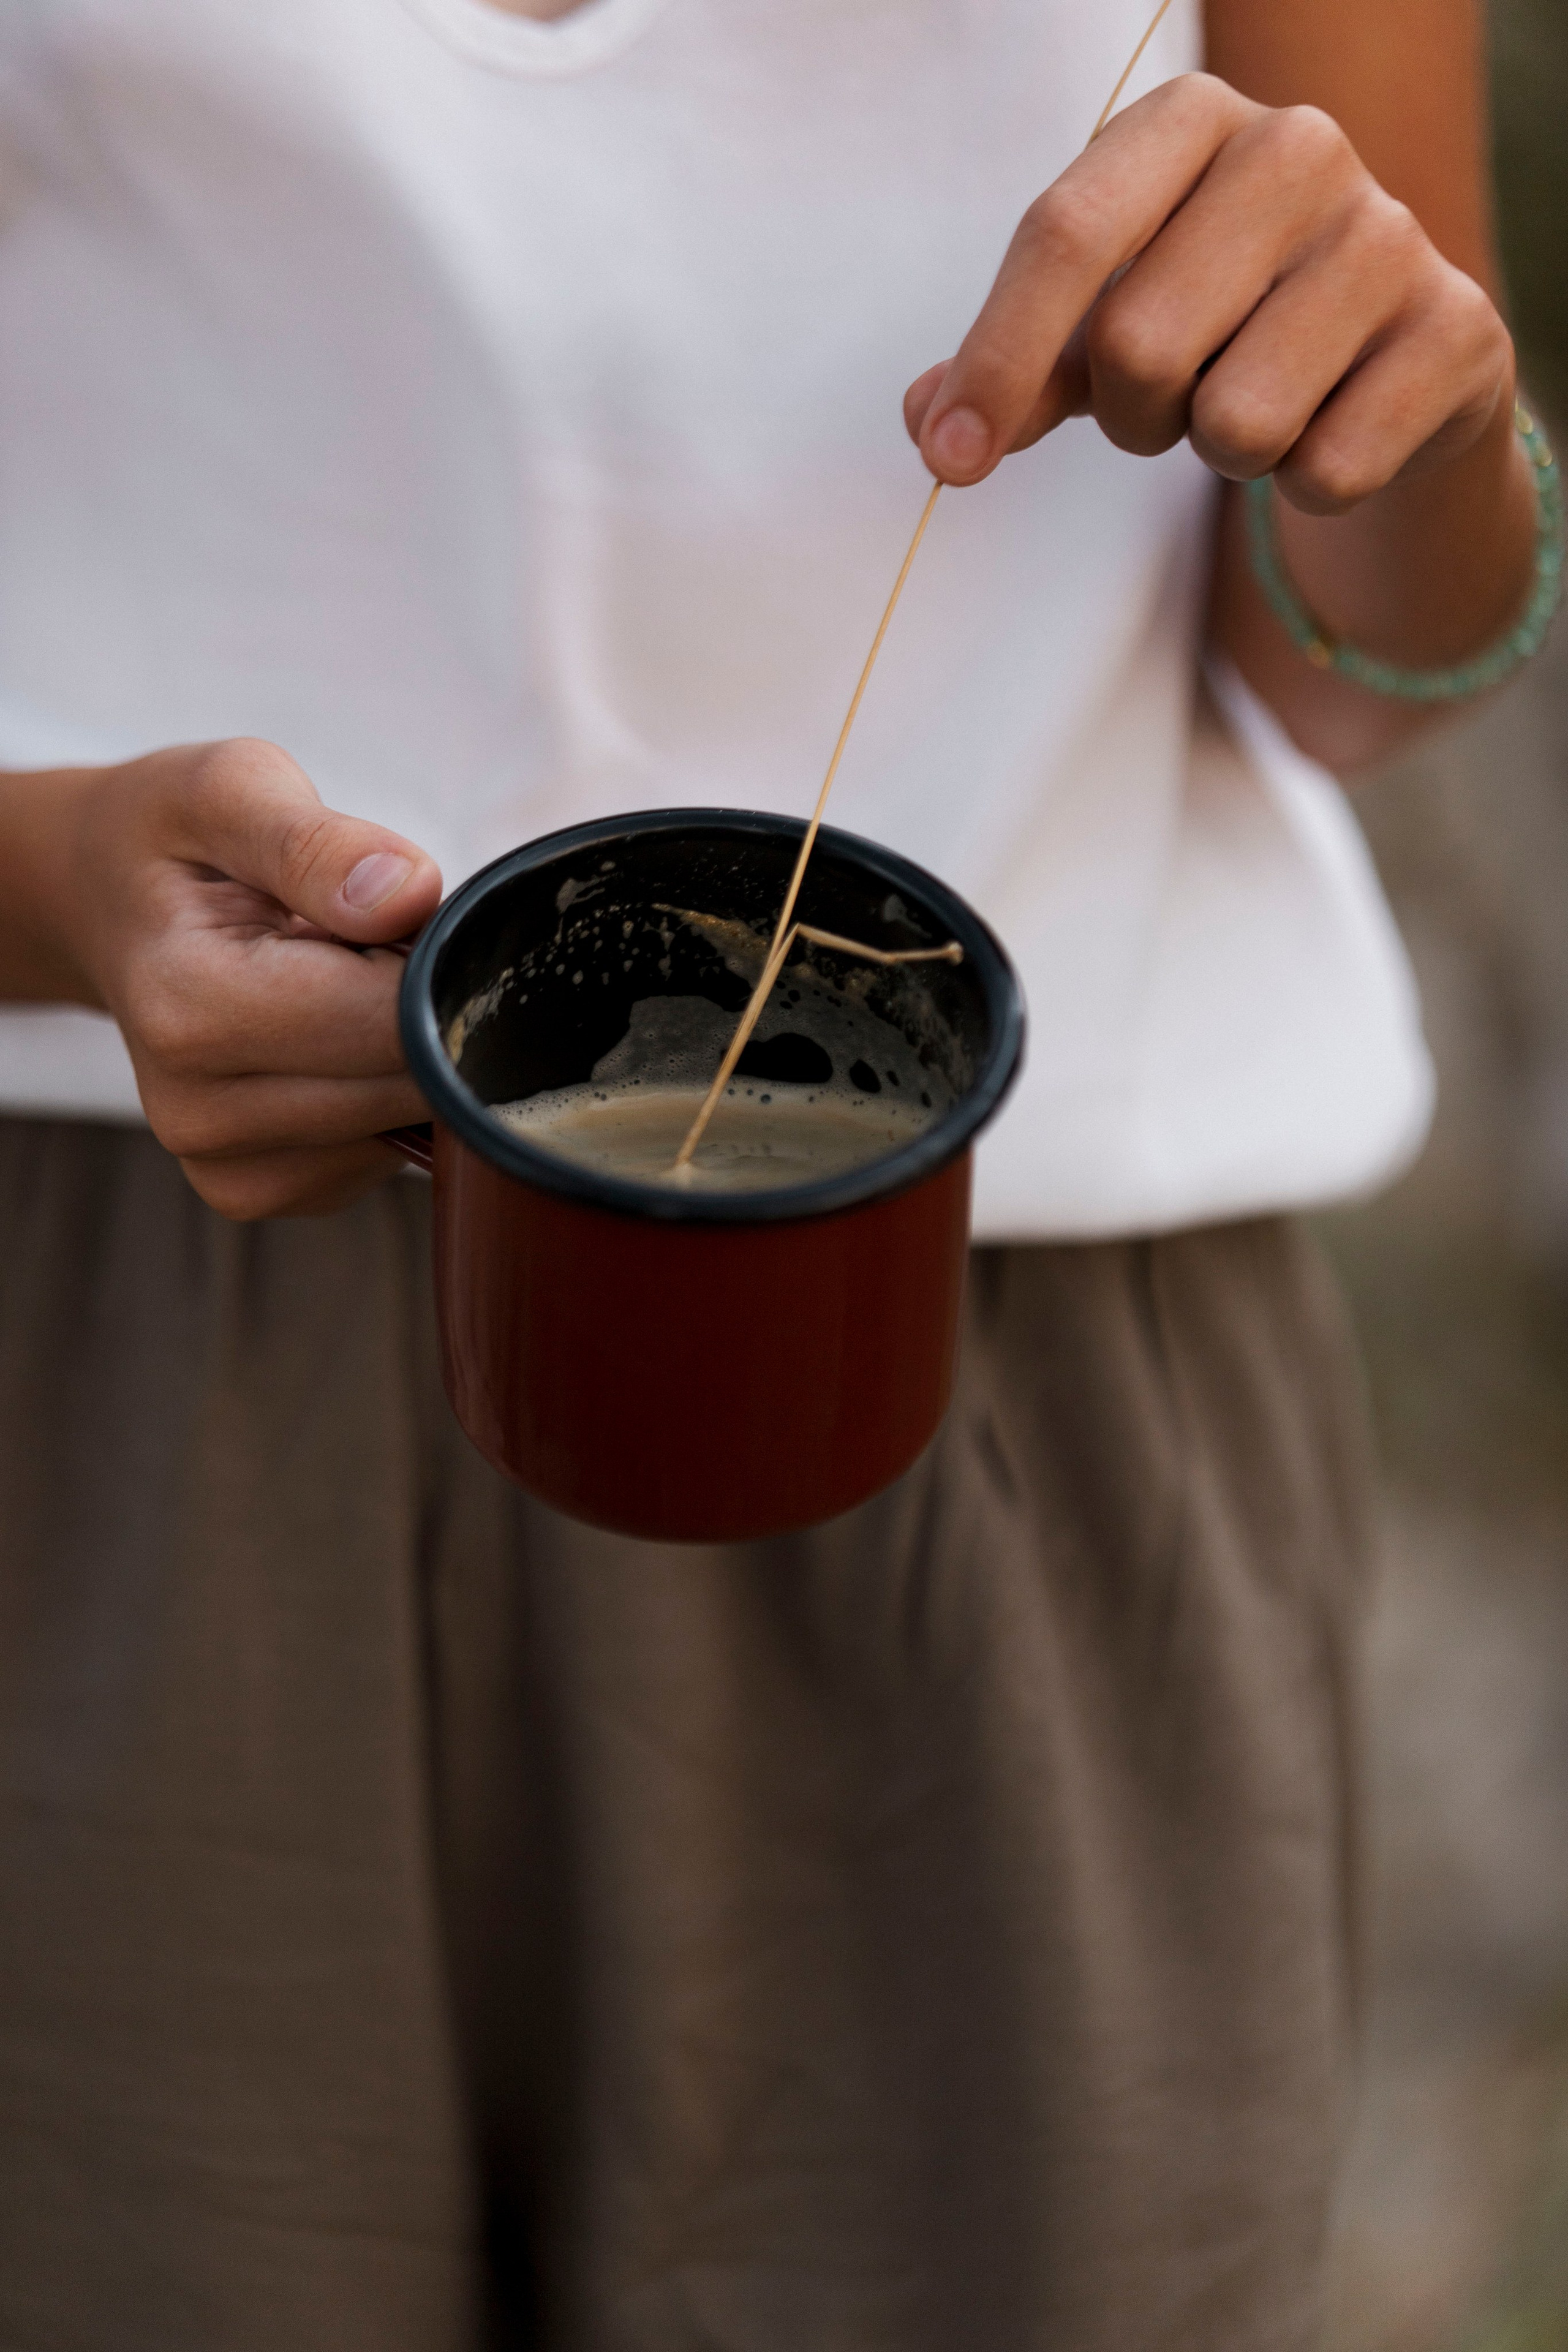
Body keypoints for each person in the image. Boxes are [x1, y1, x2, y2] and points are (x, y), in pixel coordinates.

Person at [0, 0, 1553, 2345]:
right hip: (115, 1379)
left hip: (1007, 1406)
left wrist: (1404, 422)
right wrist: (53, 893)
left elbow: (1370, 668)